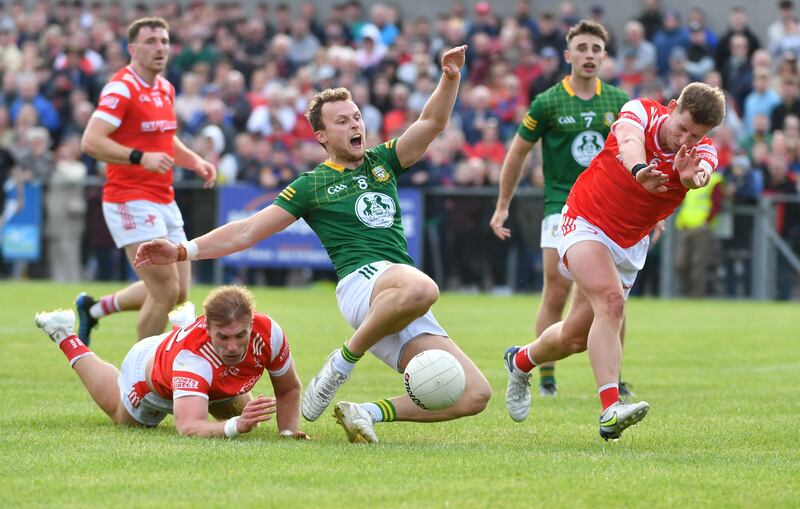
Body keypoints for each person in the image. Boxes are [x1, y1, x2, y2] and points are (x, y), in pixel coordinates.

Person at [134, 45, 492, 444]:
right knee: (424, 287)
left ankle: (366, 412)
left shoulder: (382, 161)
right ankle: (342, 362)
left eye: (356, 117)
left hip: (397, 295)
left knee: (474, 394)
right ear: (321, 136)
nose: (355, 124)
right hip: (362, 283)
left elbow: (432, 122)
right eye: (342, 121)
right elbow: (247, 230)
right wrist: (183, 250)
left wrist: (450, 77)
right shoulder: (312, 184)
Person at [502, 82, 725, 440]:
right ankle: (610, 409)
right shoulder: (641, 111)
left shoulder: (702, 151)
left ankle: (520, 360)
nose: (685, 140)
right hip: (585, 220)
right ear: (671, 107)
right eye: (682, 128)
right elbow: (629, 139)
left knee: (574, 337)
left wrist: (692, 178)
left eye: (695, 135)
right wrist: (639, 169)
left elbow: (703, 174)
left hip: (629, 244)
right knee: (612, 302)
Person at [489, 20, 630, 397]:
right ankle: (546, 376)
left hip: (609, 211)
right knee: (556, 290)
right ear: (568, 55)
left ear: (604, 56)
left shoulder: (618, 101)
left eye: (596, 49)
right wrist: (502, 205)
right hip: (562, 207)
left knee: (616, 296)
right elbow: (517, 152)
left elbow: (634, 155)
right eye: (582, 48)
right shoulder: (548, 102)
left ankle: (615, 379)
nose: (589, 55)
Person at [77, 17, 216, 345]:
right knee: (165, 290)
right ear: (132, 48)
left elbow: (164, 139)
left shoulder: (164, 87)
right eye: (151, 41)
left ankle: (95, 309)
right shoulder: (121, 88)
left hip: (163, 197)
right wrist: (139, 157)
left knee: (180, 292)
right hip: (129, 198)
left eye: (164, 41)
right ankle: (141, 369)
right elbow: (91, 141)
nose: (160, 48)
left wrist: (194, 160)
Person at [33, 285, 309, 439]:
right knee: (121, 417)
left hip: (211, 378)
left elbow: (288, 389)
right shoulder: (193, 358)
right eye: (223, 337)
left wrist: (287, 433)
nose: (233, 347)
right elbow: (188, 426)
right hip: (149, 380)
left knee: (251, 423)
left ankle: (181, 326)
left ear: (251, 323)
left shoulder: (269, 332)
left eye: (240, 335)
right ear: (207, 328)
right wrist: (236, 425)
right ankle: (64, 334)